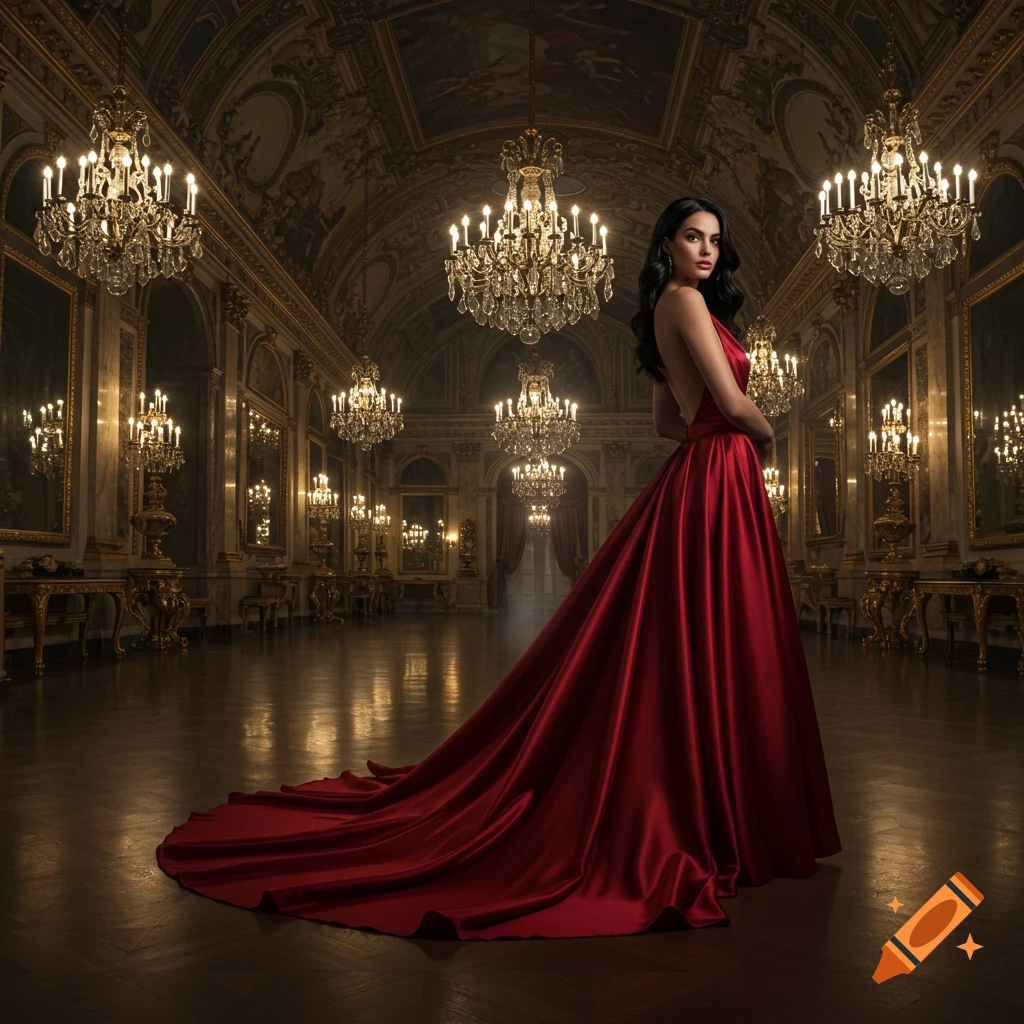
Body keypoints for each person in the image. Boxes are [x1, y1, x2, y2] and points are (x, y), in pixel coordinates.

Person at [156, 197, 841, 940]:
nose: (706, 251)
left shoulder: (668, 312)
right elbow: (735, 404)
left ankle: (712, 806)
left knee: (694, 640)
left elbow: (666, 423)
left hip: (702, 469)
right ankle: (729, 813)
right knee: (723, 637)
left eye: (714, 240)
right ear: (666, 246)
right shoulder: (684, 303)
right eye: (691, 237)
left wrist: (718, 428)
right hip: (721, 470)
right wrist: (762, 431)